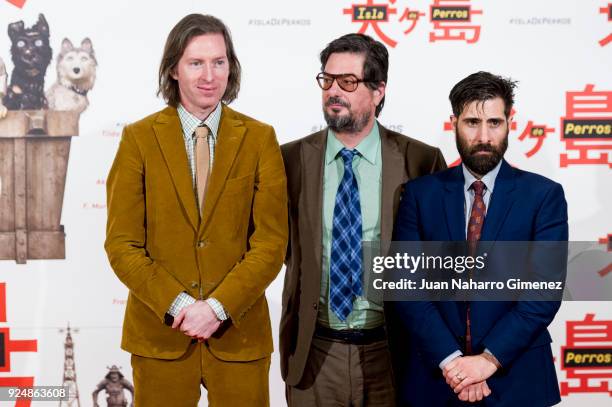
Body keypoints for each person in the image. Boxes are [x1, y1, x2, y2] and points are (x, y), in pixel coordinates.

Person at [104, 14, 287, 406]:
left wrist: (219, 308)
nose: (210, 75)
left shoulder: (259, 138)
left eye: (219, 62)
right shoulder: (138, 139)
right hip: (160, 336)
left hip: (239, 336)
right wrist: (182, 306)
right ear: (173, 68)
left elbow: (271, 243)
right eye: (196, 63)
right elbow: (122, 244)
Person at [280, 33, 446, 406]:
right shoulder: (289, 160)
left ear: (378, 91)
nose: (333, 91)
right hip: (314, 353)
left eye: (348, 82)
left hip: (394, 353)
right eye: (327, 80)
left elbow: (439, 264)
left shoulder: (420, 161)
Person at [393, 71, 567, 406]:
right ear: (454, 123)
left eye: (494, 122)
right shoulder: (419, 195)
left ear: (509, 123)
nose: (484, 135)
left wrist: (487, 360)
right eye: (472, 122)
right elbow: (407, 287)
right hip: (436, 379)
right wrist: (452, 361)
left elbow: (543, 293)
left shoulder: (543, 196)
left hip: (518, 377)